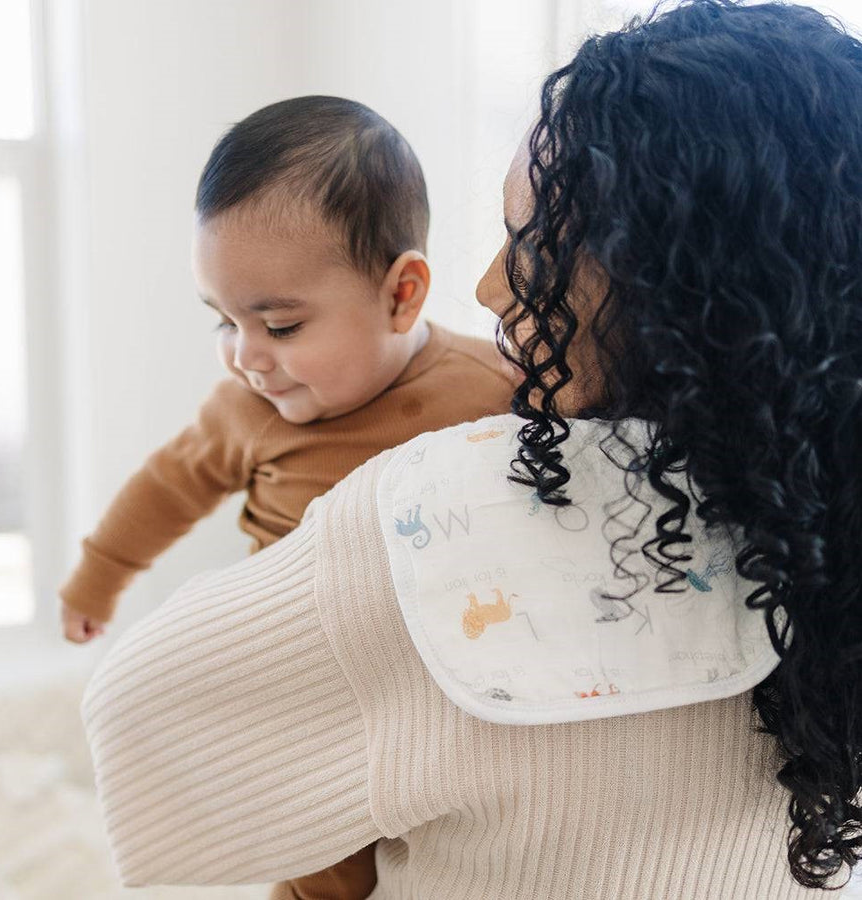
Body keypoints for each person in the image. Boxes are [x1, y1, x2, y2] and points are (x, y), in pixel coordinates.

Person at [81, 2, 862, 897]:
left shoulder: (443, 509)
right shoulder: (827, 516)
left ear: (676, 280)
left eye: (536, 241)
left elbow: (136, 717)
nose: (490, 287)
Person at [60, 96, 514, 899]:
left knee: (455, 837)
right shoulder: (245, 411)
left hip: (436, 677)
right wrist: (98, 575)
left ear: (402, 295)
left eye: (279, 325)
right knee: (317, 861)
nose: (244, 357)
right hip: (297, 684)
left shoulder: (486, 394)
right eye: (224, 322)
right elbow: (168, 485)